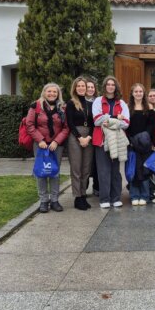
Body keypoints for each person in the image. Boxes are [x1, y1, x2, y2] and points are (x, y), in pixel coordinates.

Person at [26, 82, 69, 213]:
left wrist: (56, 141)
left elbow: (66, 127)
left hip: (56, 146)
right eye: (49, 91)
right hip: (40, 145)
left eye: (55, 92)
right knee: (42, 172)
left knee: (54, 172)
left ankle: (55, 200)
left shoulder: (62, 107)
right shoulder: (36, 106)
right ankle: (44, 200)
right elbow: (29, 125)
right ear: (44, 92)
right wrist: (40, 140)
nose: (52, 94)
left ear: (58, 94)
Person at [92, 76, 129, 209]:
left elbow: (126, 123)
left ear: (116, 87)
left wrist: (108, 121)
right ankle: (104, 199)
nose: (110, 86)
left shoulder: (122, 103)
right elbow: (96, 120)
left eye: (113, 84)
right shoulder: (98, 101)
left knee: (115, 171)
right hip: (101, 141)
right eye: (108, 84)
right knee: (103, 171)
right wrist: (115, 118)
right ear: (104, 86)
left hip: (117, 141)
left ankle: (116, 198)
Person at [65, 76, 94, 211]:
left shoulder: (90, 104)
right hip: (75, 136)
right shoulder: (71, 103)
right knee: (76, 168)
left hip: (88, 137)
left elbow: (93, 123)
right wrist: (79, 138)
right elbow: (70, 123)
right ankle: (77, 197)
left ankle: (83, 194)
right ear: (75, 88)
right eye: (79, 86)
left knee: (86, 168)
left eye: (83, 86)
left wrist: (88, 137)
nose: (81, 88)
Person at [127, 83, 155, 206]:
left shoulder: (149, 107)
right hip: (132, 143)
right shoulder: (127, 107)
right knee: (133, 169)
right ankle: (134, 195)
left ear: (144, 93)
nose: (138, 93)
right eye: (136, 91)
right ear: (132, 93)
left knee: (144, 170)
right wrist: (132, 140)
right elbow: (126, 125)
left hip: (145, 143)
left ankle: (145, 195)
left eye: (140, 91)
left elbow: (151, 125)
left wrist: (144, 138)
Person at [84, 78, 100, 197]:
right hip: (83, 135)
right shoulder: (80, 102)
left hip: (96, 134)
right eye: (88, 87)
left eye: (92, 87)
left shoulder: (98, 102)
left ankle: (97, 187)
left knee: (96, 163)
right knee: (85, 163)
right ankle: (83, 187)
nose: (90, 89)